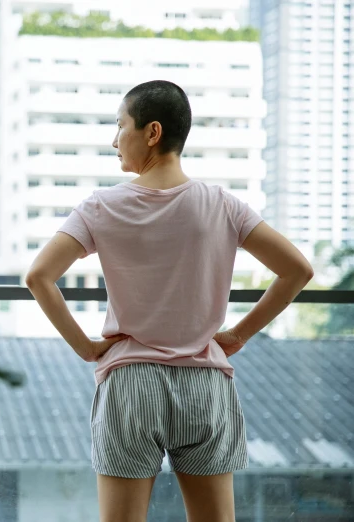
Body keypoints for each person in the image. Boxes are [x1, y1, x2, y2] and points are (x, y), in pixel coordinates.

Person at [25, 80, 314, 522]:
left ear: (152, 132)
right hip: (204, 382)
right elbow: (298, 270)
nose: (114, 139)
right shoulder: (222, 205)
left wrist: (84, 347)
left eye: (120, 126)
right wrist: (238, 333)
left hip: (130, 383)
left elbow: (38, 276)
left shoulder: (101, 206)